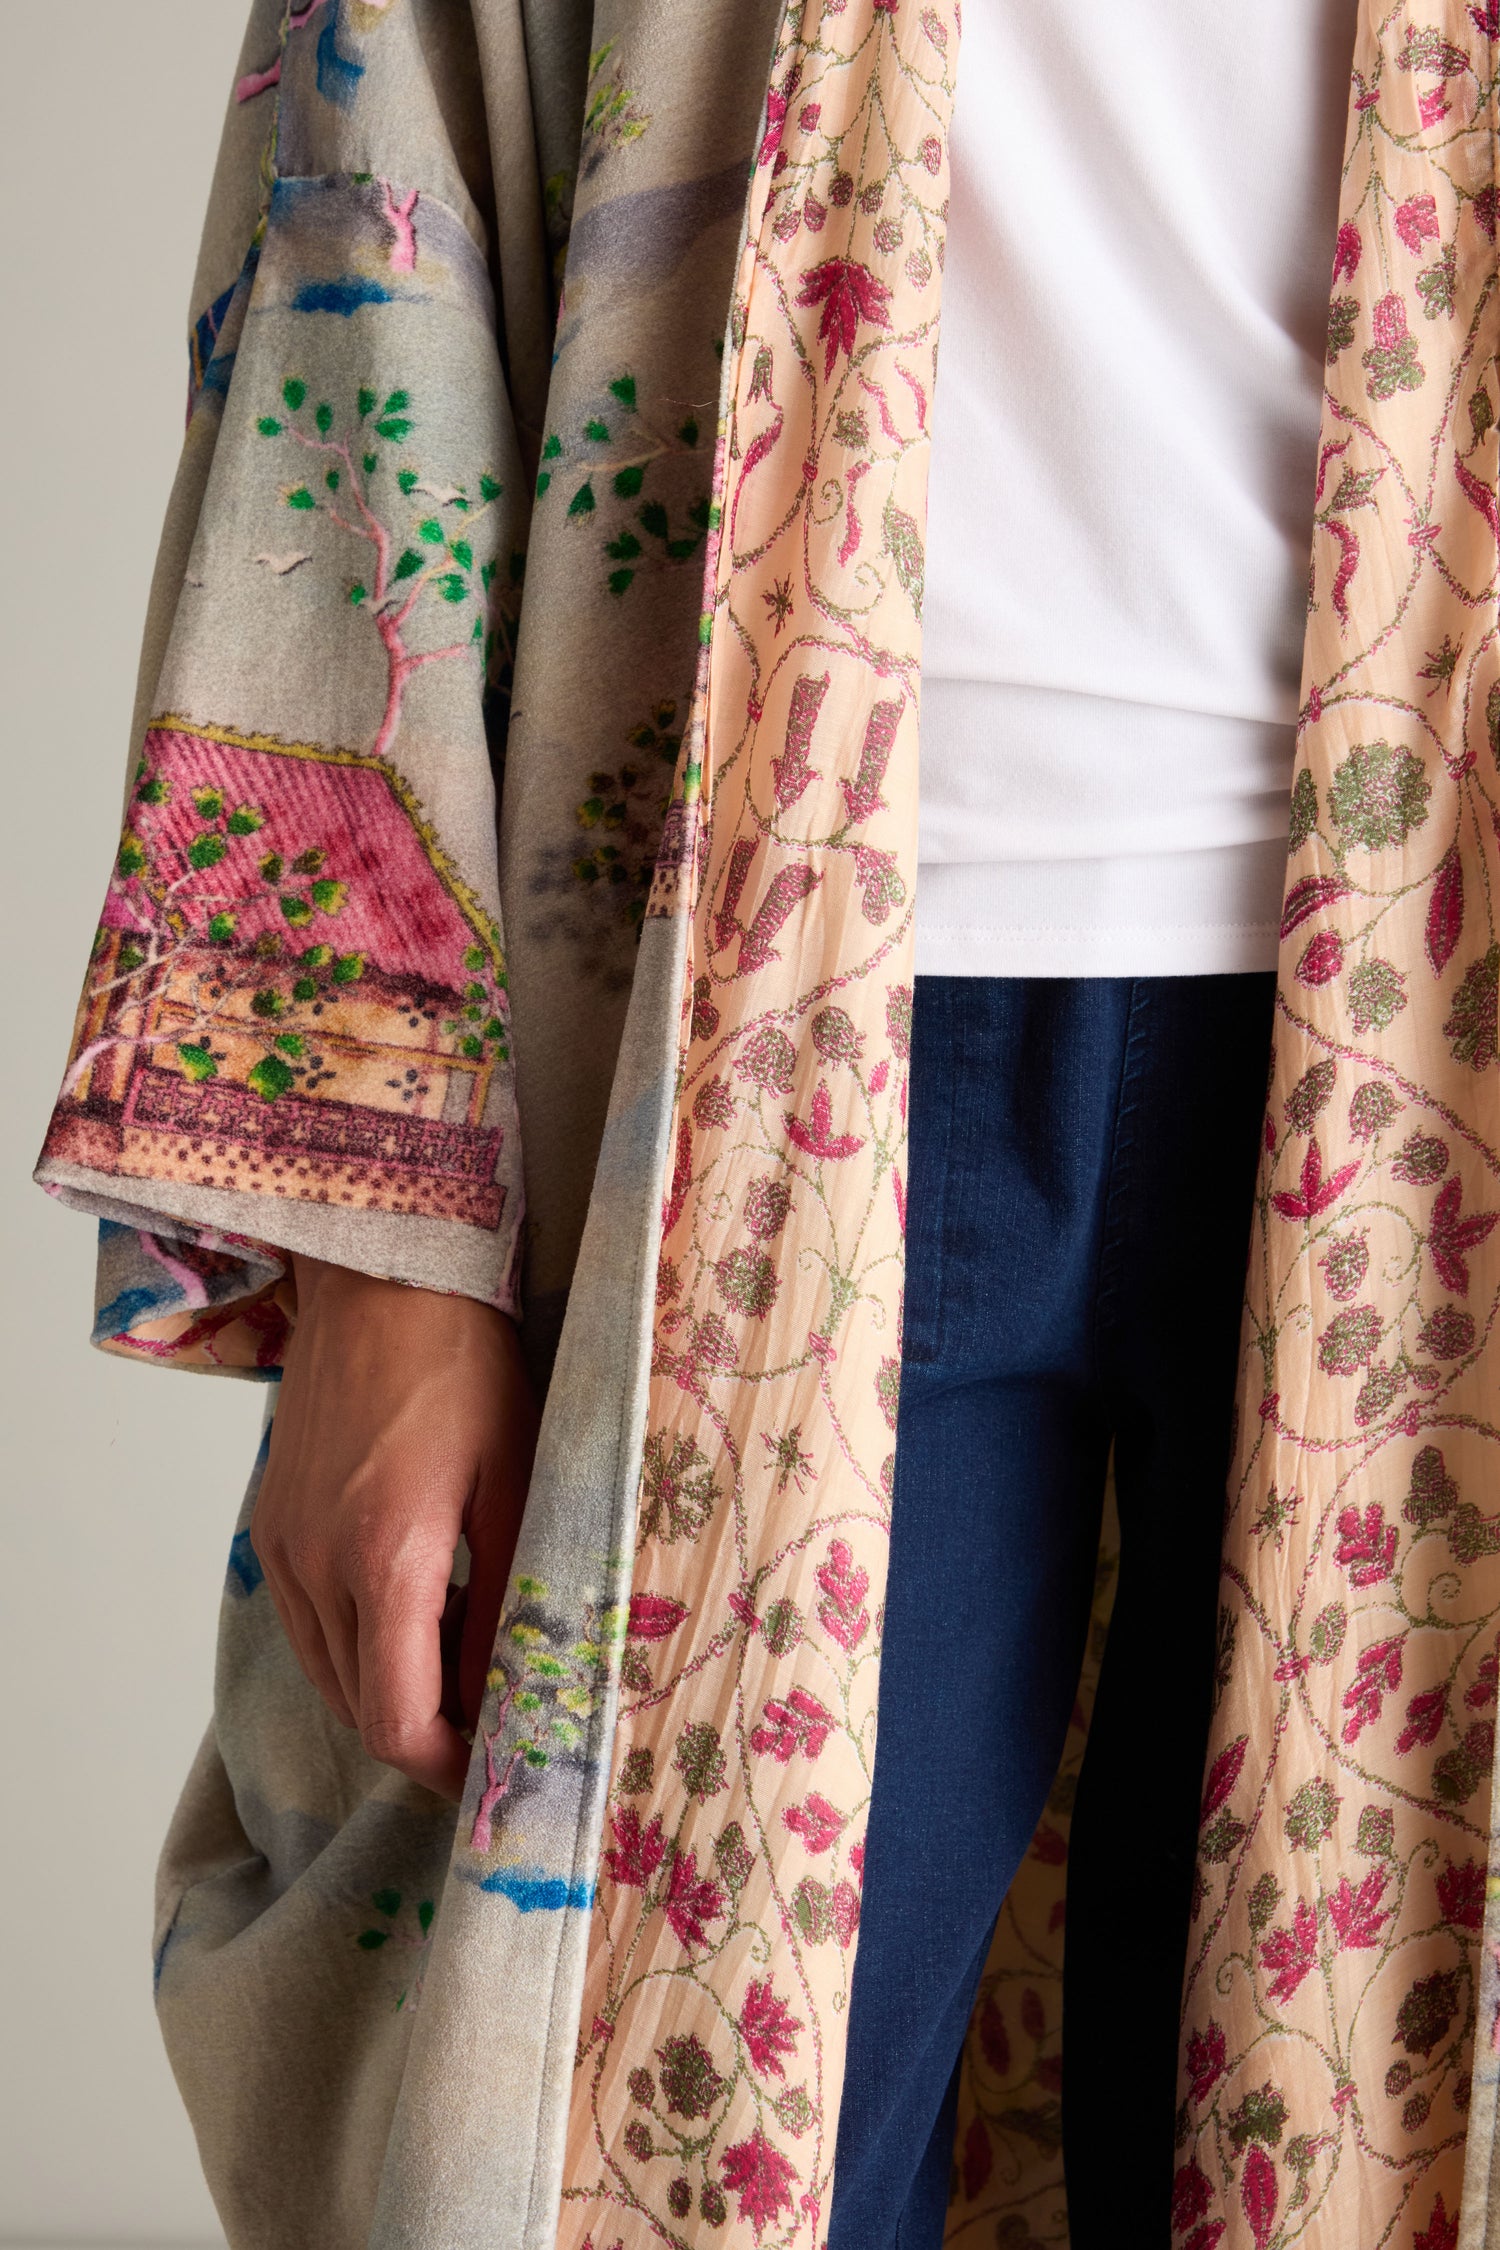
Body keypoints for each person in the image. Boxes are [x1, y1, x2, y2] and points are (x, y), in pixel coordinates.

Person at [34, 3, 1500, 2248]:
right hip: (736, 1011)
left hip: (1424, 1021)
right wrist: (380, 1260)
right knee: (670, 2141)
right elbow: (371, 192)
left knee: (1352, 2116)